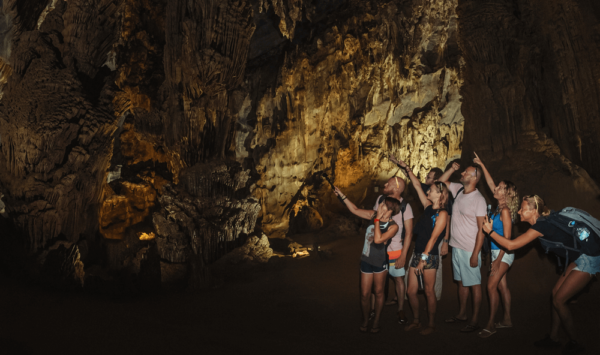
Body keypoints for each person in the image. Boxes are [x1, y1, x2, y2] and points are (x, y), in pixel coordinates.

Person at [484, 195, 595, 355]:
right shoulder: (544, 221)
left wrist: (490, 231)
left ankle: (575, 342)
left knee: (559, 300)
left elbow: (511, 245)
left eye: (523, 209)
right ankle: (554, 337)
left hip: (590, 258)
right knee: (555, 295)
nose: (519, 211)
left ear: (534, 211)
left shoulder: (541, 227)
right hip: (580, 257)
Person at [392, 157, 449, 335]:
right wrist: (406, 168)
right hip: (417, 253)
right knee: (411, 291)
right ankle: (416, 320)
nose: (428, 190)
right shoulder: (427, 207)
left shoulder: (443, 213)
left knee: (429, 292)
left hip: (429, 256)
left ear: (440, 194)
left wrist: (423, 259)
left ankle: (431, 324)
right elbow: (417, 185)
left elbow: (433, 238)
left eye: (431, 189)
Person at [333, 186, 401, 333]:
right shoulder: (372, 215)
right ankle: (365, 318)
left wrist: (377, 220)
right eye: (381, 203)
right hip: (366, 260)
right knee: (364, 294)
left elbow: (378, 240)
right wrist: (342, 196)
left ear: (390, 209)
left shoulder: (393, 227)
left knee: (378, 292)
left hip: (379, 263)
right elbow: (355, 210)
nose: (380, 206)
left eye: (383, 204)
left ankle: (376, 321)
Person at [473, 152, 519, 338]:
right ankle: (507, 319)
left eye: (500, 188)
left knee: (490, 286)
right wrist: (482, 164)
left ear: (507, 193)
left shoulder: (505, 211)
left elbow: (507, 240)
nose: (496, 189)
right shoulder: (498, 207)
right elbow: (490, 184)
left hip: (504, 253)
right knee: (501, 286)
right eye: (497, 187)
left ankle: (491, 324)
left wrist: (498, 261)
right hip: (495, 252)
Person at [439, 162, 487, 333]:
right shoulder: (458, 189)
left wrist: (475, 253)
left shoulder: (479, 200)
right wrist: (451, 169)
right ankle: (462, 314)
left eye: (466, 172)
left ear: (474, 178)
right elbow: (440, 182)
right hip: (456, 247)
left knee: (474, 284)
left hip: (469, 248)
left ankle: (474, 319)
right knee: (461, 283)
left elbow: (482, 230)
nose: (463, 173)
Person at [373, 176, 414, 324]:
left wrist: (404, 255)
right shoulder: (379, 200)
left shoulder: (405, 206)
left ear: (397, 187)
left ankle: (401, 308)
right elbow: (374, 220)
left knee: (398, 279)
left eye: (388, 183)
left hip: (395, 249)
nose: (384, 184)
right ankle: (374, 309)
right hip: (378, 249)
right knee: (375, 281)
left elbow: (409, 232)